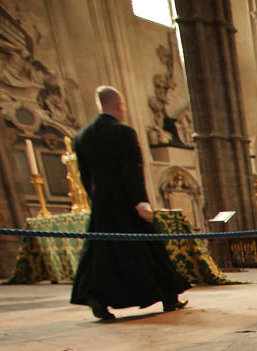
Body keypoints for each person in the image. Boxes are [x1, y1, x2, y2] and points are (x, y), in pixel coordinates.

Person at [70, 85, 189, 321]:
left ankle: (97, 297)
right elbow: (132, 171)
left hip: (102, 205)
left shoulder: (81, 137)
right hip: (126, 202)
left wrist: (96, 200)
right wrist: (140, 202)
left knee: (102, 254)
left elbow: (84, 175)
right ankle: (169, 296)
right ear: (119, 105)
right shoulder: (122, 133)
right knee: (148, 247)